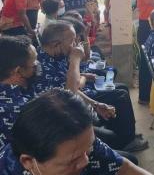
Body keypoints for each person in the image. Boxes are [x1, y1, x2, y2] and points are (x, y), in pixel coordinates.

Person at [36, 21, 147, 152]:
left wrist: (95, 104)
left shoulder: (55, 54)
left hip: (77, 96)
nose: (75, 44)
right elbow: (69, 94)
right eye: (72, 41)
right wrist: (75, 60)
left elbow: (68, 84)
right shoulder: (42, 66)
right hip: (66, 114)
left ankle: (123, 132)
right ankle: (126, 141)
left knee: (122, 88)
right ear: (56, 44)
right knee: (120, 95)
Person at [0, 89, 152, 175]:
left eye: (88, 150)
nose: (85, 161)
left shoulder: (79, 145)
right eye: (72, 161)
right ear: (28, 162)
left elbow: (125, 169)